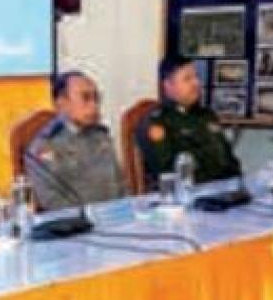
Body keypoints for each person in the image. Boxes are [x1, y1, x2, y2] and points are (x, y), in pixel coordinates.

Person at [25, 71, 128, 211]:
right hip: (75, 222)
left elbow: (121, 188)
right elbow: (54, 204)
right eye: (85, 98)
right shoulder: (44, 147)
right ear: (62, 103)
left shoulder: (101, 137)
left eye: (96, 98)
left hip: (114, 218)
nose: (94, 105)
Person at [136, 56, 242, 190]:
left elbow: (229, 160)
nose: (196, 83)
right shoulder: (157, 123)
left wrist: (238, 186)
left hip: (223, 192)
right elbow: (167, 171)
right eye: (187, 79)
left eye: (196, 77)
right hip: (187, 195)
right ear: (168, 86)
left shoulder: (206, 116)